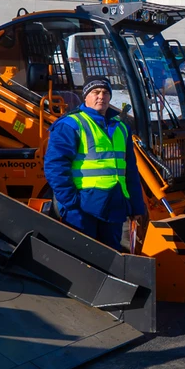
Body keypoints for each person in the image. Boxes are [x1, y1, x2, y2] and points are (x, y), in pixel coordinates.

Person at [44, 77, 146, 250]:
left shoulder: (121, 127)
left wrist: (136, 205)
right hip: (83, 208)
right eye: (95, 92)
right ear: (86, 97)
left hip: (114, 205)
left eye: (105, 92)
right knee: (82, 258)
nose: (101, 96)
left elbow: (130, 171)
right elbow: (55, 166)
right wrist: (71, 202)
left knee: (112, 258)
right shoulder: (70, 124)